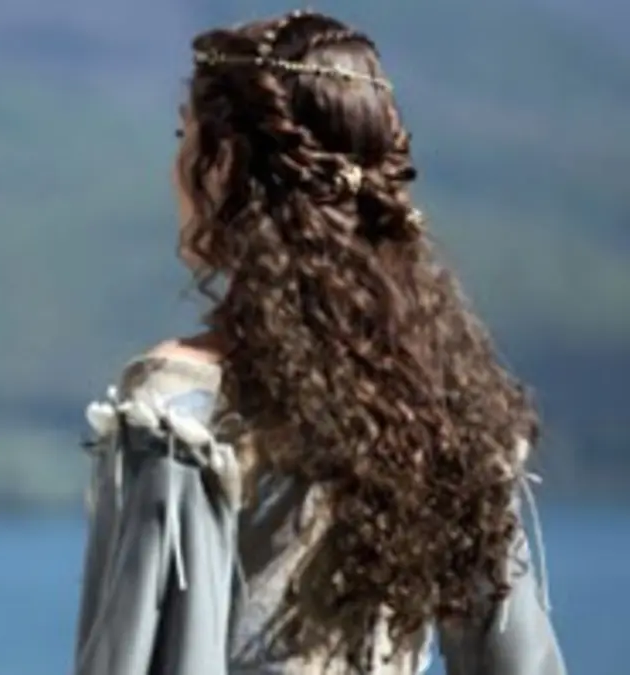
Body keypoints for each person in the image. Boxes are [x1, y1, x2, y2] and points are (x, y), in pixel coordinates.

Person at [72, 10, 566, 675]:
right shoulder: (449, 407)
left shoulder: (180, 407)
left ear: (225, 165)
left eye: (184, 135)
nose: (174, 166)